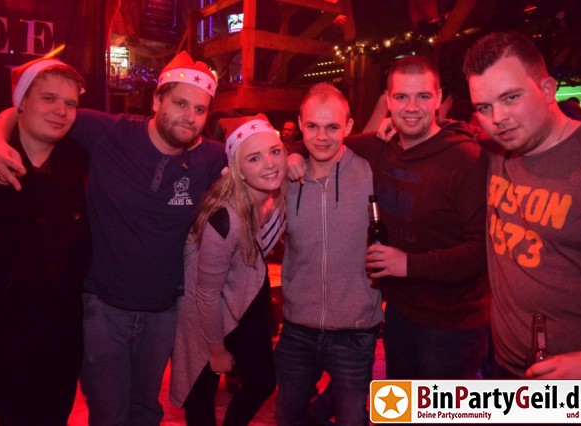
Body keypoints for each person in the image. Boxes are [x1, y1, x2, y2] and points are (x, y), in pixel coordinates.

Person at [0, 50, 227, 425]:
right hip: (103, 308)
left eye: (200, 109)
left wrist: (292, 160)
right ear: (157, 100)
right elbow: (24, 110)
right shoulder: (110, 132)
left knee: (146, 410)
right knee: (109, 414)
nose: (189, 117)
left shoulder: (208, 157)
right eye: (180, 103)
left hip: (164, 310)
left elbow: (258, 146)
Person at [289, 56, 490, 380]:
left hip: (451, 326)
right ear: (388, 100)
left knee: (440, 408)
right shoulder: (381, 147)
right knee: (399, 405)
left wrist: (408, 264)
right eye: (401, 96)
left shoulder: (466, 159)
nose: (411, 107)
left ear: (439, 98)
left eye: (423, 96)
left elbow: (482, 251)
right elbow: (325, 139)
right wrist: (295, 153)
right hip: (399, 315)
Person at [463, 31, 581, 380]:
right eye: (484, 107)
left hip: (580, 383)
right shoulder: (497, 153)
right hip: (507, 371)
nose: (498, 117)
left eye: (511, 97)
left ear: (548, 89)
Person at [0, 58, 90, 425]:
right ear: (20, 103)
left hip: (63, 341)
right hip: (1, 343)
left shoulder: (84, 166)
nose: (61, 111)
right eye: (49, 98)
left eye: (70, 103)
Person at [275, 82, 383, 426]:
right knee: (288, 417)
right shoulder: (283, 178)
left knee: (352, 419)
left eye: (332, 127)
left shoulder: (371, 172)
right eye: (312, 126)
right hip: (297, 328)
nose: (322, 137)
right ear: (300, 124)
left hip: (355, 329)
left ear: (349, 126)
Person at [170, 114, 286, 425]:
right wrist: (217, 350)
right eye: (254, 158)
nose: (270, 163)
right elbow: (206, 295)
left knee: (263, 381)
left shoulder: (272, 194)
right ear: (238, 170)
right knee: (201, 393)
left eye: (275, 151)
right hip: (203, 313)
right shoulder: (226, 219)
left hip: (241, 298)